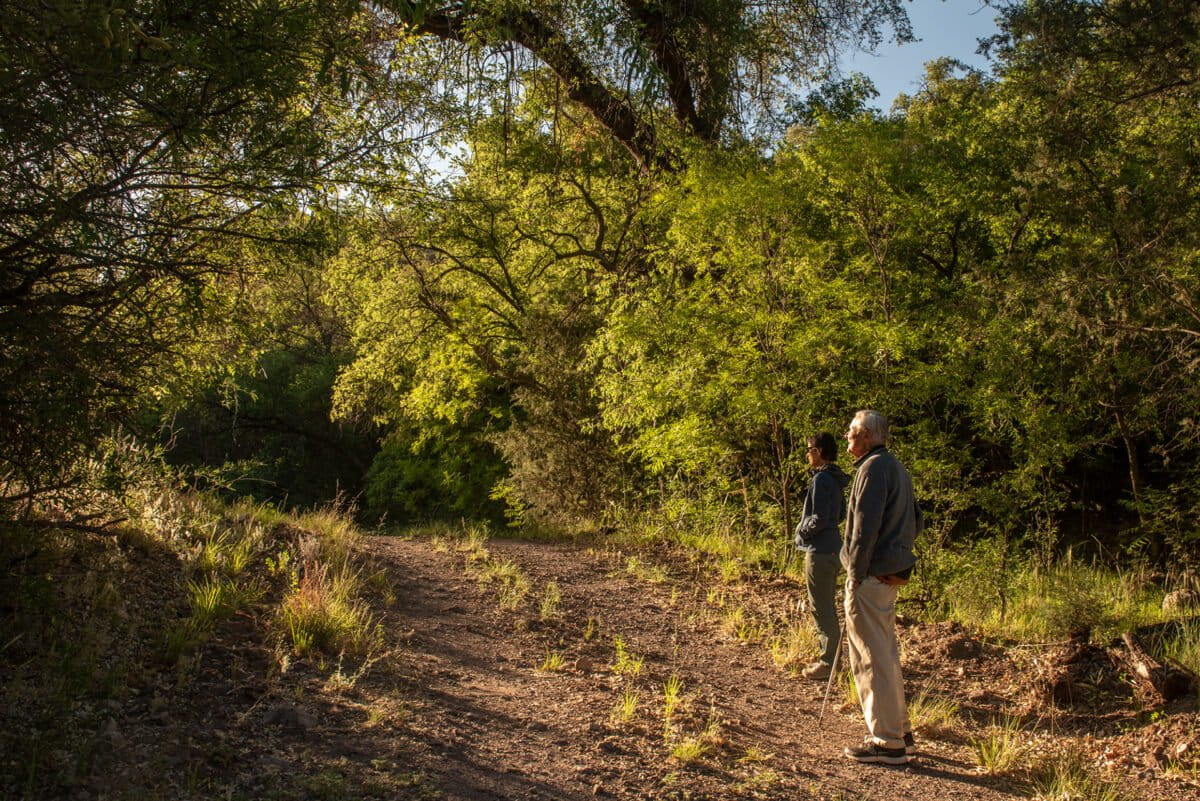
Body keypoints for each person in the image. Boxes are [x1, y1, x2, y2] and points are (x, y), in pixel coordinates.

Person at [840, 410, 921, 765]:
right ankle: (900, 731)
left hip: (870, 578)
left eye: (852, 432)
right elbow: (917, 519)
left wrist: (857, 573)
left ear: (868, 436)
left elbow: (864, 528)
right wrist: (901, 562)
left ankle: (887, 743)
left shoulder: (873, 469)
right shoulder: (896, 467)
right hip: (885, 575)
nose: (847, 437)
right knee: (885, 653)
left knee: (870, 658)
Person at [793, 432, 850, 680]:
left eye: (809, 449)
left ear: (817, 451)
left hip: (820, 551)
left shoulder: (821, 480)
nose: (807, 454)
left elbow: (821, 518)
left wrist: (803, 532)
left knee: (822, 607)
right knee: (826, 604)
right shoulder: (836, 479)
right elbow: (840, 515)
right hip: (833, 548)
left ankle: (828, 663)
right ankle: (830, 660)